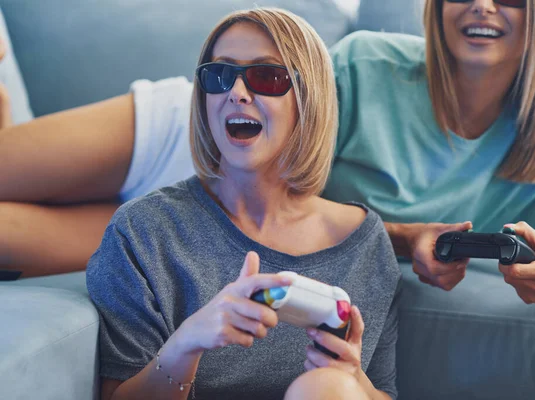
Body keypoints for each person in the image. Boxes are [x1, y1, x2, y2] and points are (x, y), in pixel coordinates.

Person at [2, 0, 535, 304]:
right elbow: (287, 187)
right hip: (189, 139)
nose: (483, 4)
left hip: (204, 229)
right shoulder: (368, 63)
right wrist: (405, 235)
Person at [86, 8, 401, 400]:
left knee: (326, 385)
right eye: (219, 76)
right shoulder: (143, 232)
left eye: (266, 76)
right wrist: (188, 343)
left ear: (309, 99)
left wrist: (353, 378)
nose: (235, 92)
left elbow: (384, 394)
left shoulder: (365, 242)